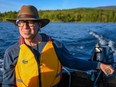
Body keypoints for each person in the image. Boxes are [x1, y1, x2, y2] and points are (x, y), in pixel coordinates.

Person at [2, 5, 114, 87]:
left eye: (30, 22)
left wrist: (99, 65)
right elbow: (8, 83)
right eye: (20, 22)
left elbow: (73, 62)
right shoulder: (11, 52)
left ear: (39, 25)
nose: (25, 27)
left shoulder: (56, 46)